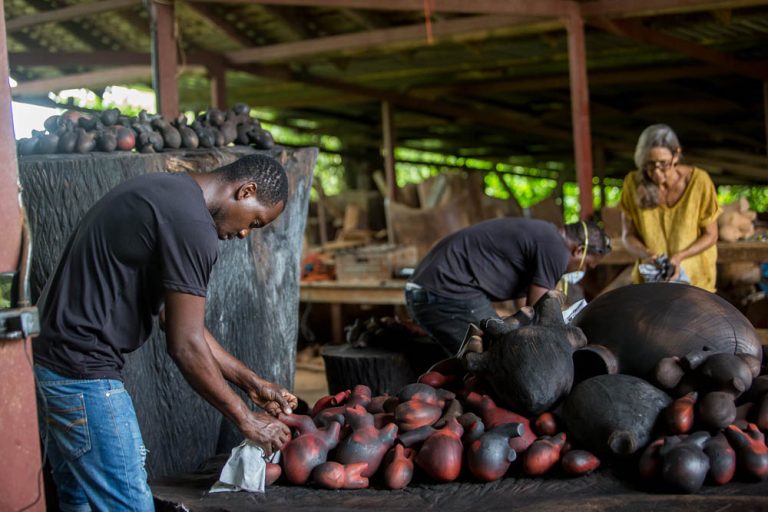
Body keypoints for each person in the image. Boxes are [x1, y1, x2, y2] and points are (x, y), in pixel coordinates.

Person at [32, 154, 298, 511]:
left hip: (51, 369)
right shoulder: (193, 224)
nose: (245, 233)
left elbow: (180, 323)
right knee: (130, 505)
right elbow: (184, 345)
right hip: (81, 377)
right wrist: (246, 419)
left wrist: (252, 383)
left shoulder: (169, 194)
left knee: (82, 503)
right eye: (255, 220)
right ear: (245, 190)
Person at [404, 217, 611, 356]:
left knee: (499, 344)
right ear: (579, 251)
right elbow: (540, 313)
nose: (583, 270)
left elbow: (526, 309)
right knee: (494, 354)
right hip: (445, 293)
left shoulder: (546, 235)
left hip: (430, 289)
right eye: (586, 264)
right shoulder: (556, 249)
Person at [620, 124, 721, 291]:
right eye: (650, 165)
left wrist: (680, 257)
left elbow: (711, 235)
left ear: (676, 155)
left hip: (696, 282)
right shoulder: (633, 183)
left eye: (663, 164)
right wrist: (647, 254)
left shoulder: (699, 182)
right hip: (652, 282)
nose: (657, 172)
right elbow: (627, 236)